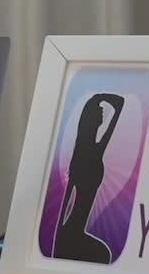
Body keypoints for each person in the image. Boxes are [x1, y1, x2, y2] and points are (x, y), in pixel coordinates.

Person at [52, 93, 124, 264]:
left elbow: (119, 104)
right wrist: (58, 238)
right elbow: (67, 202)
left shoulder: (97, 149)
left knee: (104, 255)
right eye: (99, 112)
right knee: (103, 255)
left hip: (76, 231)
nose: (102, 115)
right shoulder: (83, 153)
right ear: (90, 118)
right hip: (70, 232)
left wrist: (99, 97)